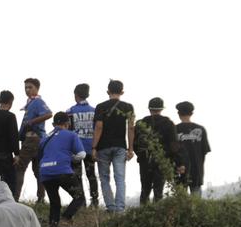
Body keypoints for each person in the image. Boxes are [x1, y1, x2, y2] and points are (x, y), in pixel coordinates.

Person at [38, 112, 88, 227]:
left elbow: (40, 156)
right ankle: (66, 218)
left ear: (53, 124)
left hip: (45, 172)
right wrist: (71, 158)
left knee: (54, 203)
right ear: (67, 124)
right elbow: (82, 155)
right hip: (62, 170)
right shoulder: (71, 134)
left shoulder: (45, 138)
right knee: (79, 197)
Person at [92, 80, 136, 213]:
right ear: (122, 92)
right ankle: (120, 208)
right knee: (120, 177)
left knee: (104, 178)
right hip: (120, 146)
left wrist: (94, 147)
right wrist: (130, 148)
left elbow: (99, 127)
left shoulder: (100, 107)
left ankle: (110, 207)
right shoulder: (128, 107)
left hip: (103, 147)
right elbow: (131, 128)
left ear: (108, 91)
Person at [134, 97, 182, 205]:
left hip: (145, 160)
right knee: (158, 190)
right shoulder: (168, 123)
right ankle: (157, 214)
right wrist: (177, 161)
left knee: (145, 189)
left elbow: (135, 143)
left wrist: (140, 155)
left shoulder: (141, 123)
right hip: (162, 160)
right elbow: (174, 144)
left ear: (149, 108)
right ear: (161, 109)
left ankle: (143, 213)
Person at [15, 78, 54, 203]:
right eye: (26, 87)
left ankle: (14, 198)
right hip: (38, 140)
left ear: (37, 88)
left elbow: (49, 114)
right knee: (38, 170)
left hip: (32, 139)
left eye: (30, 87)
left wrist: (32, 122)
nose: (27, 90)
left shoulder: (37, 102)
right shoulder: (30, 103)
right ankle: (41, 198)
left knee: (20, 167)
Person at [67, 83, 99, 208]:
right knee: (91, 175)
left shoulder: (70, 111)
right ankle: (95, 200)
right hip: (91, 148)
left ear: (76, 95)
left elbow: (68, 131)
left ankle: (81, 202)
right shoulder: (95, 111)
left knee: (77, 176)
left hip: (76, 150)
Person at [175, 101, 211, 197]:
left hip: (179, 170)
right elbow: (205, 150)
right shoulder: (201, 129)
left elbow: (171, 151)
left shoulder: (174, 130)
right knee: (196, 204)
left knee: (180, 201)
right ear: (192, 113)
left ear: (178, 113)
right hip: (197, 170)